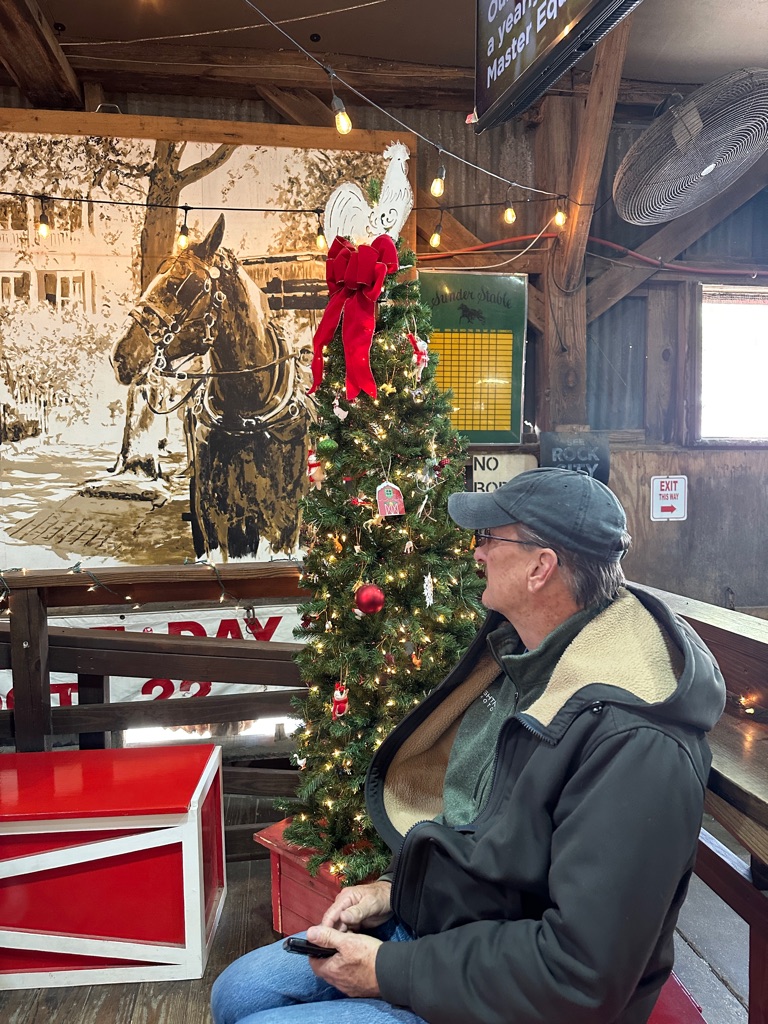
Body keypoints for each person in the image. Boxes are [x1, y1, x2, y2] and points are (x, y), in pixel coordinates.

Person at [211, 467, 725, 1024]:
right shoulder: (520, 659)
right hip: (455, 933)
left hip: (521, 994)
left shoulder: (636, 743)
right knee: (236, 993)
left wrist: (390, 971)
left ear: (540, 568)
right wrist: (391, 892)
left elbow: (579, 975)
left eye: (489, 538)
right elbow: (477, 828)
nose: (476, 552)